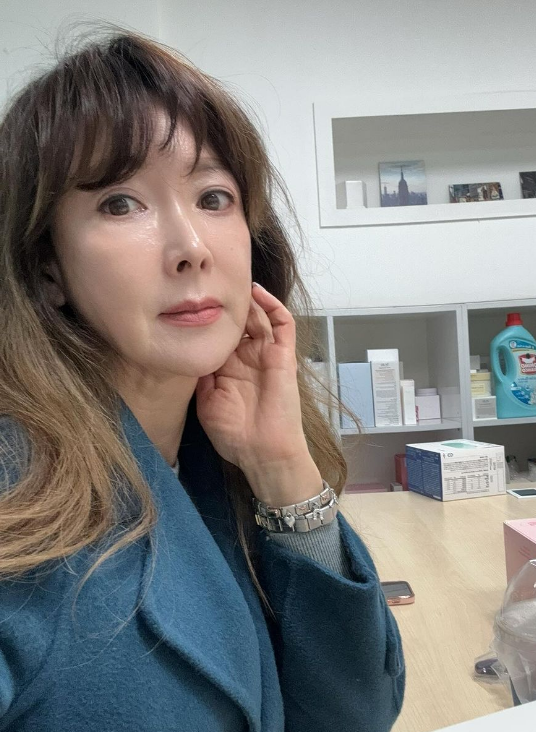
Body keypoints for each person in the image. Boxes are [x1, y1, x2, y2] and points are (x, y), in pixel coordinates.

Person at [0, 28, 405, 731]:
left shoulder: (216, 461)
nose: (190, 248)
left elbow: (354, 714)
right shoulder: (17, 494)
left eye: (214, 197)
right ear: (48, 270)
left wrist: (283, 468)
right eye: (120, 203)